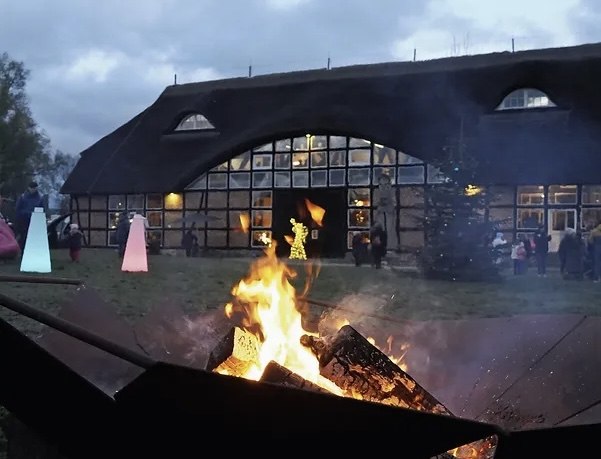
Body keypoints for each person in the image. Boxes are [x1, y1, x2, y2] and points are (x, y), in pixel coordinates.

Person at [15, 181, 44, 248]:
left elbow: (42, 209)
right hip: (24, 221)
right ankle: (23, 253)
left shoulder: (40, 198)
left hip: (35, 222)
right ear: (28, 188)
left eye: (35, 188)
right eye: (32, 188)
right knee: (23, 238)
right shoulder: (22, 197)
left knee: (33, 239)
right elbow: (18, 209)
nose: (33, 189)